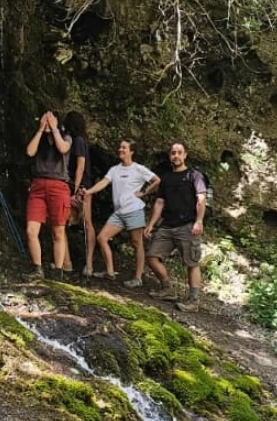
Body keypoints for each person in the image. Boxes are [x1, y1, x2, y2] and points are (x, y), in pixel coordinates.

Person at [84, 140, 165, 288]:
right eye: (120, 147)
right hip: (119, 212)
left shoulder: (138, 169)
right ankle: (110, 272)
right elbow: (103, 182)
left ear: (131, 151)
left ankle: (138, 277)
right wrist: (88, 192)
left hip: (134, 210)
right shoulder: (115, 170)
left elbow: (157, 180)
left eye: (124, 148)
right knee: (102, 237)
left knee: (136, 243)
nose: (120, 149)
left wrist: (144, 192)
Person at [144, 141, 208, 311]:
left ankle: (194, 301)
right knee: (152, 256)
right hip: (167, 225)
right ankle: (167, 288)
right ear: (170, 156)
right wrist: (151, 224)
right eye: (173, 153)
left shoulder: (195, 175)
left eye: (179, 152)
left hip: (188, 225)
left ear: (185, 155)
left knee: (191, 263)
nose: (176, 156)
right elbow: (159, 202)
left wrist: (199, 221)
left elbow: (201, 199)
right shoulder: (166, 177)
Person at [23, 109, 73, 279]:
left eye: (50, 118)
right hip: (38, 185)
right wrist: (40, 130)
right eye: (44, 117)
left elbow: (63, 148)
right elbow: (29, 152)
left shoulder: (66, 137)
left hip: (58, 186)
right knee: (31, 230)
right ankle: (37, 268)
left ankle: (58, 270)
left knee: (58, 231)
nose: (47, 121)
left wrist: (54, 129)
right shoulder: (40, 139)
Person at [63, 111, 97, 277]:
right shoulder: (83, 140)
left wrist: (74, 189)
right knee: (86, 223)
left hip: (81, 186)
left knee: (82, 222)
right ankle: (87, 264)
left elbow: (80, 166)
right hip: (85, 184)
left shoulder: (77, 141)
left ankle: (82, 263)